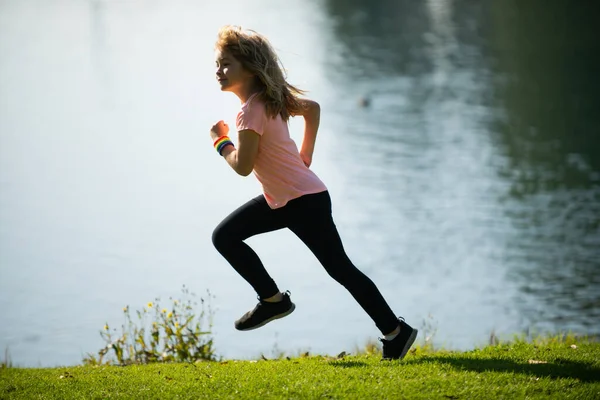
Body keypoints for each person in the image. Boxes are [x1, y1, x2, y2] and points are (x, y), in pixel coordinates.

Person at [209, 25, 417, 360]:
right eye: (218, 64)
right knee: (226, 236)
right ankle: (273, 301)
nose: (218, 71)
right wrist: (305, 155)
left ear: (248, 68)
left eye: (226, 64)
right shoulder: (269, 100)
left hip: (302, 202)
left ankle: (395, 331)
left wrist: (221, 143)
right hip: (289, 198)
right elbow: (313, 108)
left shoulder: (250, 111)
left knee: (340, 269)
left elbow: (243, 166)